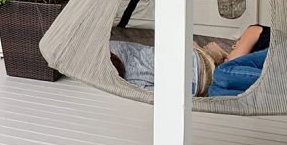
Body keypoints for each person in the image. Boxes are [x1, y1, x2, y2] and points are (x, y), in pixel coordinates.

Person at [109, 24, 270, 97]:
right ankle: (277, 94)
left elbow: (231, 63)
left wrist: (216, 53)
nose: (235, 44)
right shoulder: (134, 81)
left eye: (237, 42)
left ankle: (283, 86)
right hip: (204, 79)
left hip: (206, 68)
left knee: (223, 74)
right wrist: (218, 52)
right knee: (217, 90)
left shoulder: (254, 30)